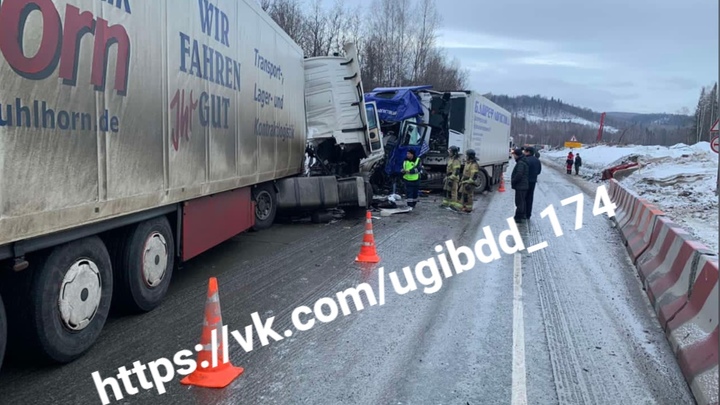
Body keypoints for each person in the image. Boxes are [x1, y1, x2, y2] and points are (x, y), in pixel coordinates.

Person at [456, 149, 481, 213]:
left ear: (470, 156)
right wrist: (461, 181)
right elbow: (465, 173)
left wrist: (468, 182)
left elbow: (474, 176)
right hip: (464, 182)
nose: (465, 156)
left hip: (469, 183)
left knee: (468, 195)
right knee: (461, 194)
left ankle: (468, 208)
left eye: (466, 155)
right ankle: (462, 206)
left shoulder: (474, 165)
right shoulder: (467, 163)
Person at [511, 148, 529, 222]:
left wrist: (514, 181)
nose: (513, 156)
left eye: (514, 155)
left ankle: (518, 217)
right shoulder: (522, 161)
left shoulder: (521, 163)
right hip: (523, 185)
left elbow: (519, 174)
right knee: (521, 201)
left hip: (521, 185)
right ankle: (521, 215)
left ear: (517, 155)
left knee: (519, 202)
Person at [523, 147, 542, 219]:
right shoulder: (537, 161)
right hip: (533, 181)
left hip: (525, 181)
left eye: (525, 151)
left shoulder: (525, 160)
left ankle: (523, 212)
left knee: (523, 197)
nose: (524, 152)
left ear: (528, 152)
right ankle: (528, 214)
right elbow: (539, 172)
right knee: (530, 197)